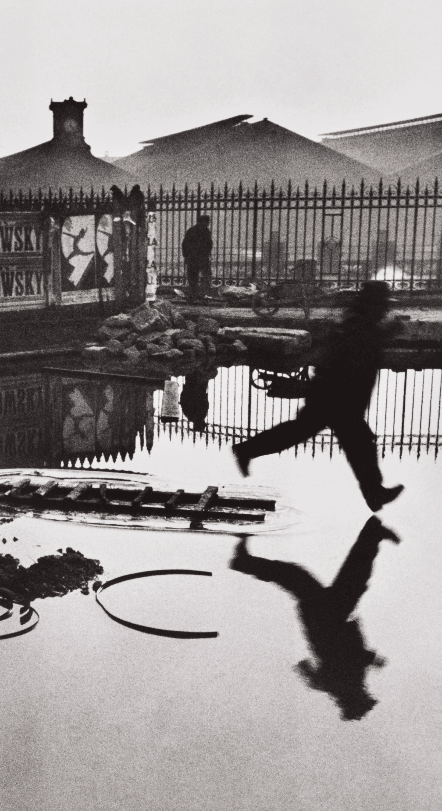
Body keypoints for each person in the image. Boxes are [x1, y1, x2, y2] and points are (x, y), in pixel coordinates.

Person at [232, 281, 404, 512]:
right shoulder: (360, 325)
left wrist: (384, 334)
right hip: (337, 398)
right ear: (373, 305)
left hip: (335, 396)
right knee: (357, 443)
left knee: (308, 433)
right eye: (382, 305)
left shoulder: (358, 322)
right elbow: (357, 352)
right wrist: (387, 333)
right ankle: (374, 493)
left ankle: (374, 493)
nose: (384, 310)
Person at [229, 517, 400, 720]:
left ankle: (242, 561)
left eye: (365, 697)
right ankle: (373, 533)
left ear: (356, 698)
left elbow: (347, 659)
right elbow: (314, 669)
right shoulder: (340, 684)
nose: (367, 692)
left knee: (312, 577)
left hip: (326, 620)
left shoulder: (344, 684)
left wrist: (371, 659)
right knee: (349, 576)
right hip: (330, 618)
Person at [182, 215, 213, 300]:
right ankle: (198, 294)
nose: (208, 223)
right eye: (207, 221)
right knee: (199, 277)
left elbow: (184, 244)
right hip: (197, 257)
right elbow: (185, 244)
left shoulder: (194, 230)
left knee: (195, 277)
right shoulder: (200, 231)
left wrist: (186, 256)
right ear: (201, 222)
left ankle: (196, 294)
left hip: (196, 257)